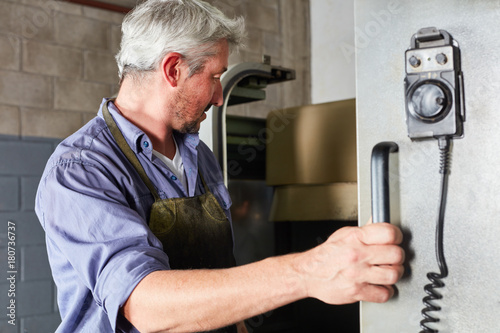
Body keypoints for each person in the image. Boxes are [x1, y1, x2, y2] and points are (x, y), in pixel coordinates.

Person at [35, 0, 405, 332]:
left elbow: (218, 270)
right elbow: (144, 304)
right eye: (214, 76)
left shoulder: (199, 154)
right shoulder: (79, 171)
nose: (219, 95)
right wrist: (310, 271)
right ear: (173, 69)